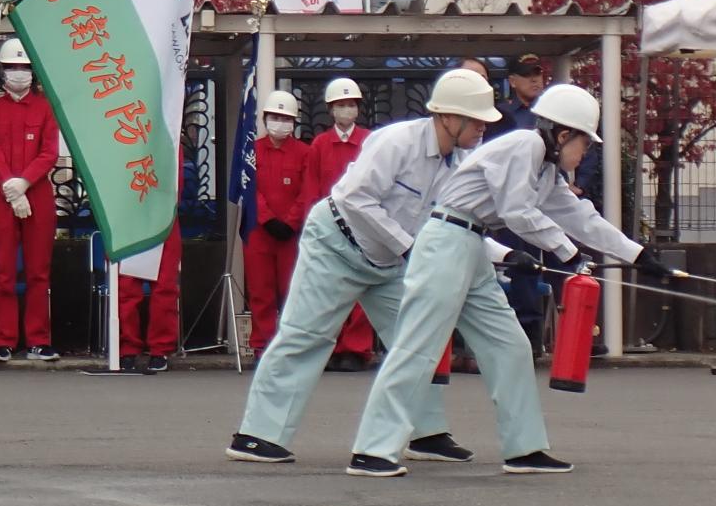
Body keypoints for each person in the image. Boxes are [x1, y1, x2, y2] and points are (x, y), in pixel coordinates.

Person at [345, 82, 677, 479]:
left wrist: (638, 256)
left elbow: (580, 216)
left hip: (470, 245)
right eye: (584, 143)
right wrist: (568, 254)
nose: (586, 152)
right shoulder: (525, 145)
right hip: (447, 240)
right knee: (419, 343)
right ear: (563, 133)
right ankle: (372, 450)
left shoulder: (545, 168)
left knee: (511, 345)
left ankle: (524, 448)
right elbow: (517, 211)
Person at [227, 69, 502, 467]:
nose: (482, 128)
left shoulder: (459, 165)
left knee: (417, 339)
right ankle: (254, 435)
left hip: (388, 259)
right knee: (306, 335)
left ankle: (426, 433)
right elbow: (356, 199)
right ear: (448, 117)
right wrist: (412, 247)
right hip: (337, 244)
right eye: (477, 120)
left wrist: (505, 256)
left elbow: (457, 223)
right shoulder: (395, 142)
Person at [0, 38, 60, 362]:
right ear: (2, 71)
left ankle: (39, 340)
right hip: (2, 196)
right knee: (3, 271)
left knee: (39, 271)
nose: (18, 73)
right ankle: (4, 340)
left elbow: (49, 152)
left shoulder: (46, 107)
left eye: (24, 68)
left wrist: (24, 183)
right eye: (12, 67)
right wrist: (13, 191)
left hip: (38, 193)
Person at [301, 76, 375, 371]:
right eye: (340, 105)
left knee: (361, 289)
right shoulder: (320, 144)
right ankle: (330, 347)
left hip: (363, 223)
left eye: (350, 105)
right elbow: (311, 186)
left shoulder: (369, 141)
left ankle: (356, 350)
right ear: (331, 110)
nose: (346, 110)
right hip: (331, 224)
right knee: (329, 289)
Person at [489, 54, 551, 350]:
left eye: (538, 74)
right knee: (514, 263)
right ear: (512, 81)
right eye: (528, 75)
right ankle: (513, 329)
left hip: (545, 200)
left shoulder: (550, 114)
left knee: (544, 266)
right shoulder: (504, 117)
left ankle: (534, 332)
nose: (535, 79)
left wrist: (581, 185)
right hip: (509, 203)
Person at [244, 89, 309, 356]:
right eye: (275, 116)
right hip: (259, 232)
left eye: (285, 118)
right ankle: (263, 344)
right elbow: (248, 188)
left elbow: (308, 191)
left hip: (291, 235)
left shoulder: (305, 153)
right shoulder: (252, 151)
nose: (279, 122)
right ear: (265, 118)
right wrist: (267, 218)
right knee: (261, 291)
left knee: (293, 290)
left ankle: (291, 343)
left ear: (293, 122)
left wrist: (291, 222)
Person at [117, 221, 181, 374]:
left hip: (163, 220)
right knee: (126, 290)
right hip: (128, 221)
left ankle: (161, 348)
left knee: (164, 290)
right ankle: (128, 348)